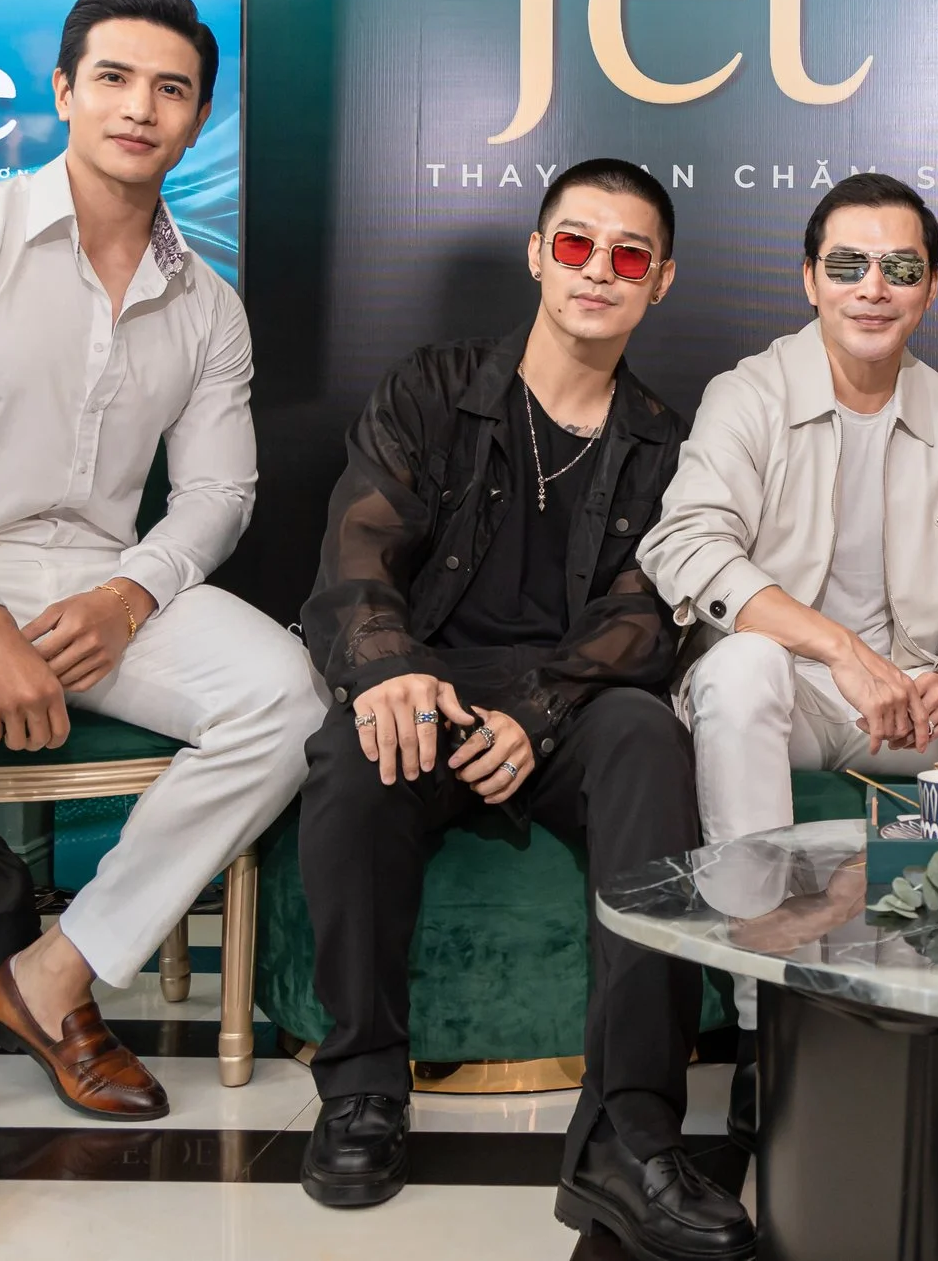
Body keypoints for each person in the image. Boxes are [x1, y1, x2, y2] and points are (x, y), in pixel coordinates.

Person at [0, 0, 329, 1261]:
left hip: (98, 579)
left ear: (197, 118)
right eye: (115, 78)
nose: (140, 107)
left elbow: (218, 492)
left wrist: (131, 591)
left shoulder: (207, 301)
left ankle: (51, 973)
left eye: (171, 88)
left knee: (288, 698)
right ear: (63, 91)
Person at [293, 160, 754, 1261]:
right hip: (430, 675)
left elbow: (645, 612)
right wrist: (391, 670)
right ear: (539, 252)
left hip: (572, 698)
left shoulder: (664, 440)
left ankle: (630, 1133)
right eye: (578, 244)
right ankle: (362, 1089)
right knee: (355, 757)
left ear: (661, 281)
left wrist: (539, 712)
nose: (600, 271)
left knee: (649, 736)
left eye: (629, 255)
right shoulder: (433, 387)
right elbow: (358, 548)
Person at [638, 173, 938, 1067]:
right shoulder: (748, 393)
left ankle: (917, 952)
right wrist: (841, 650)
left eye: (900, 268)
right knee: (742, 665)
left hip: (909, 701)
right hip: (786, 694)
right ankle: (767, 1020)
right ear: (809, 279)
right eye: (848, 265)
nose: (873, 288)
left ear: (931, 287)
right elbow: (686, 544)